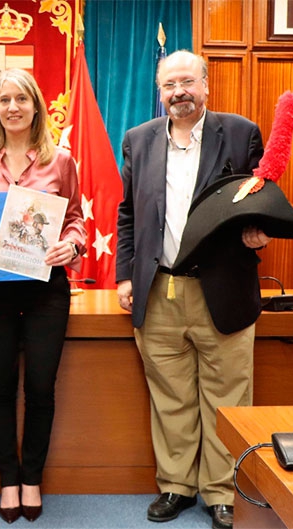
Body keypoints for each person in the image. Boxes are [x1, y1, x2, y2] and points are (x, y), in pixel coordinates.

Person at [115, 50, 270, 529]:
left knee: (226, 398)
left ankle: (223, 492)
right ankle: (177, 486)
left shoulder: (241, 132)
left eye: (187, 82)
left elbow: (263, 196)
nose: (178, 92)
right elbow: (127, 215)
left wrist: (260, 227)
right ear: (160, 93)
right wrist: (125, 274)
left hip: (220, 289)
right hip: (158, 289)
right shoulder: (137, 140)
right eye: (169, 85)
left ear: (205, 84)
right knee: (171, 396)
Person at [0, 68, 86, 524]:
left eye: (21, 99)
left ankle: (32, 478)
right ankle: (7, 480)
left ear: (37, 106)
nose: (12, 107)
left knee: (40, 387)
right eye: (4, 100)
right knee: (0, 387)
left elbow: (76, 220)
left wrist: (72, 244)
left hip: (46, 289)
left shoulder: (62, 161)